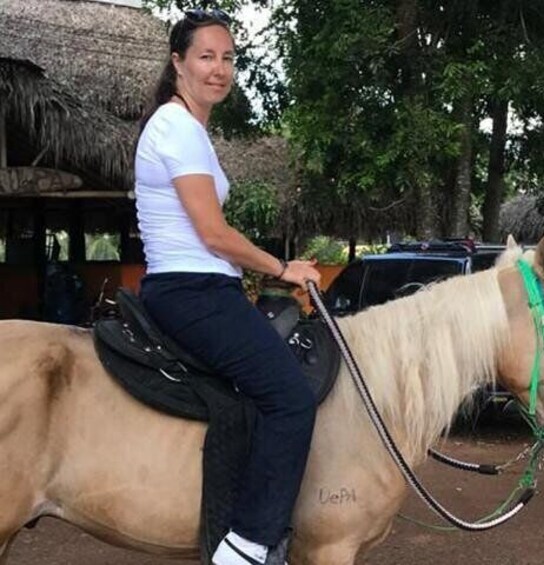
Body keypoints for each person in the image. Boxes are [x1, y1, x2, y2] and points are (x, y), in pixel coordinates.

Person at [134, 9, 320, 565]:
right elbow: (213, 234)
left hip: (202, 286)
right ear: (178, 63)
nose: (219, 69)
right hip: (192, 289)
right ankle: (246, 545)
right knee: (290, 398)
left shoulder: (186, 128)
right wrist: (282, 267)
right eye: (206, 56)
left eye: (228, 57)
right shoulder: (177, 128)